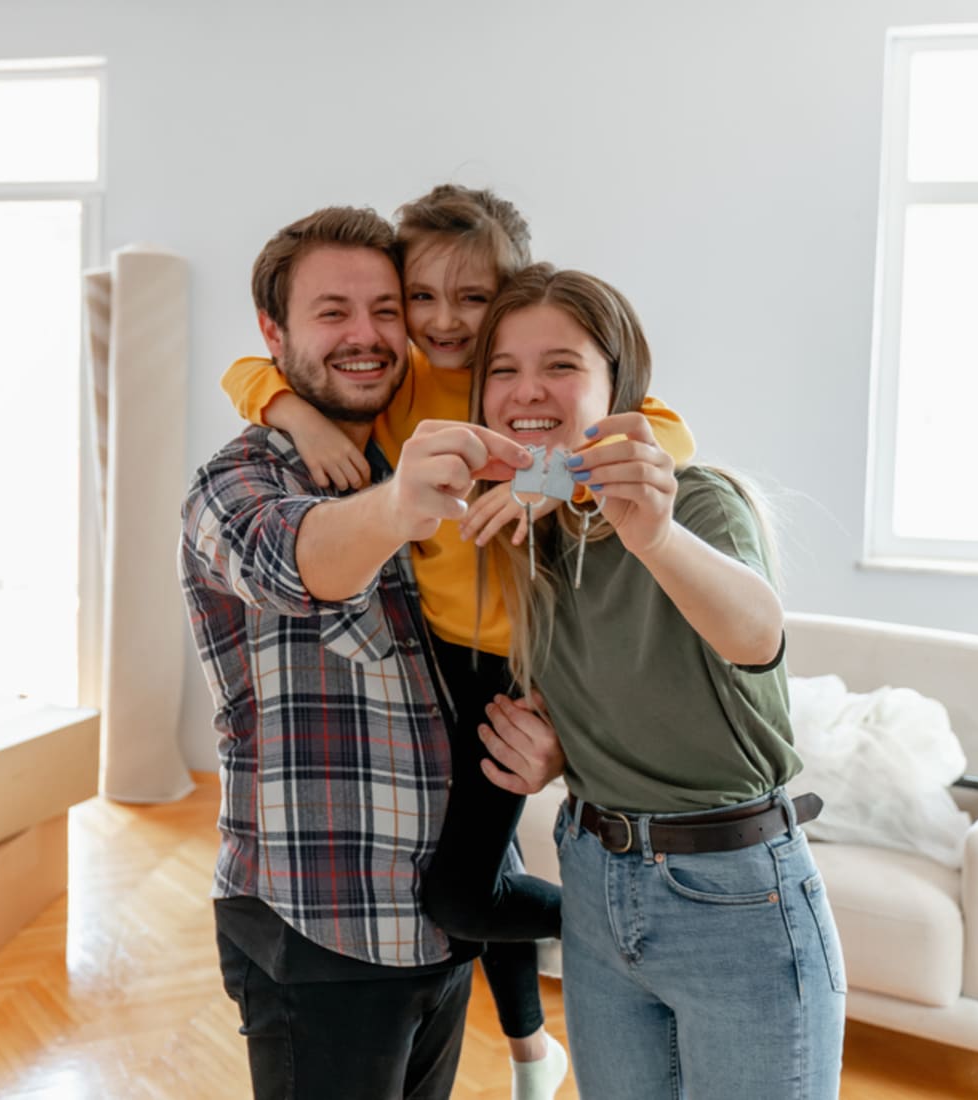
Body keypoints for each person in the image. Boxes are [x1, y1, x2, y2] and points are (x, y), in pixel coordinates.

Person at [220, 184, 698, 1098]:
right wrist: (300, 416)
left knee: (464, 891)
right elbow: (246, 372)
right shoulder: (399, 391)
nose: (442, 322)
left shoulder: (532, 389)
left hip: (517, 666)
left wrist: (553, 478)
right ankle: (530, 1049)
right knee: (479, 869)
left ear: (510, 297)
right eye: (422, 299)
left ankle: (625, 937)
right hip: (437, 657)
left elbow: (665, 433)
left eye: (472, 300)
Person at [180, 205, 564, 1100]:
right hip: (322, 930)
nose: (368, 335)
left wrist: (547, 748)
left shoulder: (424, 435)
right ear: (275, 335)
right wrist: (400, 504)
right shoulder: (237, 480)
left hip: (438, 932)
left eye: (386, 309)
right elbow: (292, 559)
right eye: (331, 313)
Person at [465, 263, 847, 1098]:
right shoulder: (531, 543)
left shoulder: (697, 503)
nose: (528, 389)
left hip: (735, 897)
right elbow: (626, 688)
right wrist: (562, 753)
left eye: (561, 364)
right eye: (503, 369)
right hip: (595, 885)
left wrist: (655, 538)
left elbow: (757, 637)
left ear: (617, 385)